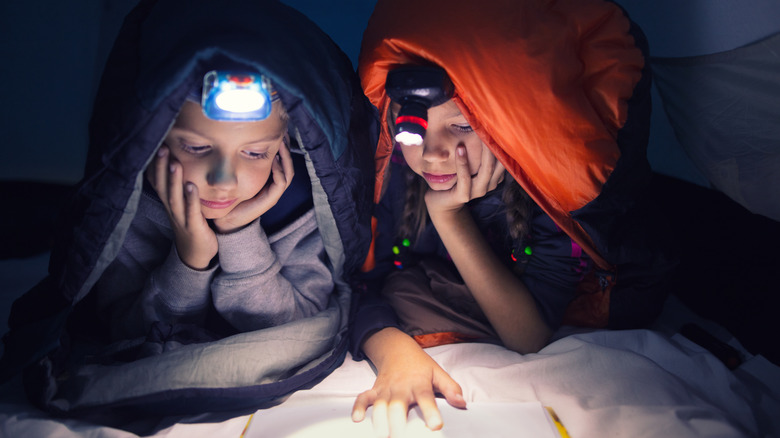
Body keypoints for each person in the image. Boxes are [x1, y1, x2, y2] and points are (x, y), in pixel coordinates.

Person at [0, 0, 376, 418]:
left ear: (284, 146)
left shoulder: (303, 211)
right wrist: (190, 259)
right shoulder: (130, 209)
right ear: (156, 136)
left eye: (254, 152)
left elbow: (295, 323)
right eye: (196, 147)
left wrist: (239, 236)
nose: (224, 179)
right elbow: (125, 332)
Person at [349, 0, 678, 436]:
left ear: (507, 125)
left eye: (463, 127)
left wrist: (447, 216)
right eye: (413, 127)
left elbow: (528, 336)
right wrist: (390, 344)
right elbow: (363, 282)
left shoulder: (551, 193)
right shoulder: (398, 172)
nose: (433, 152)